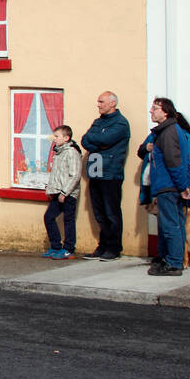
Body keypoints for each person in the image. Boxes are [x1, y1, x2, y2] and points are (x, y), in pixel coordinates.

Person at [145, 97, 190, 276]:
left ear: (165, 111)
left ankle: (174, 263)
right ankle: (171, 259)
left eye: (155, 108)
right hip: (170, 186)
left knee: (171, 225)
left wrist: (182, 186)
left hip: (169, 186)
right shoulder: (170, 131)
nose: (151, 111)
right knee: (175, 224)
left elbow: (174, 162)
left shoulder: (169, 132)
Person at [80, 91, 131, 261]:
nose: (98, 104)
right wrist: (97, 142)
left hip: (111, 173)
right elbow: (85, 139)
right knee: (99, 213)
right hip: (95, 172)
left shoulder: (121, 124)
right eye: (98, 101)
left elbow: (106, 140)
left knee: (111, 213)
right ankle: (102, 246)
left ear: (112, 103)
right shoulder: (98, 122)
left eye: (101, 101)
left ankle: (114, 248)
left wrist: (98, 141)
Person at [43, 125, 83, 259]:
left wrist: (65, 193)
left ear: (66, 138)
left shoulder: (71, 152)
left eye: (57, 136)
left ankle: (69, 249)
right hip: (57, 191)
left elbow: (75, 175)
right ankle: (55, 246)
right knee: (48, 217)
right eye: (54, 136)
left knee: (68, 220)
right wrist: (50, 189)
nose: (54, 139)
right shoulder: (59, 152)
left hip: (68, 193)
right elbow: (57, 173)